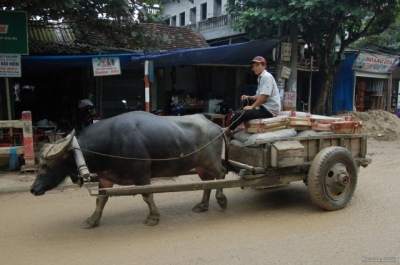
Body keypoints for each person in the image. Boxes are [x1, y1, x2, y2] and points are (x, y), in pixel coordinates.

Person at [224, 56, 281, 134]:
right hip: (263, 106)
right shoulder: (260, 78)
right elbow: (258, 96)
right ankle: (240, 125)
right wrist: (248, 97)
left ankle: (229, 129)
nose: (255, 68)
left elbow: (264, 96)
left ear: (264, 66)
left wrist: (252, 107)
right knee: (245, 100)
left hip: (269, 110)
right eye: (253, 66)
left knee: (239, 114)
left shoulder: (266, 76)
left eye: (258, 65)